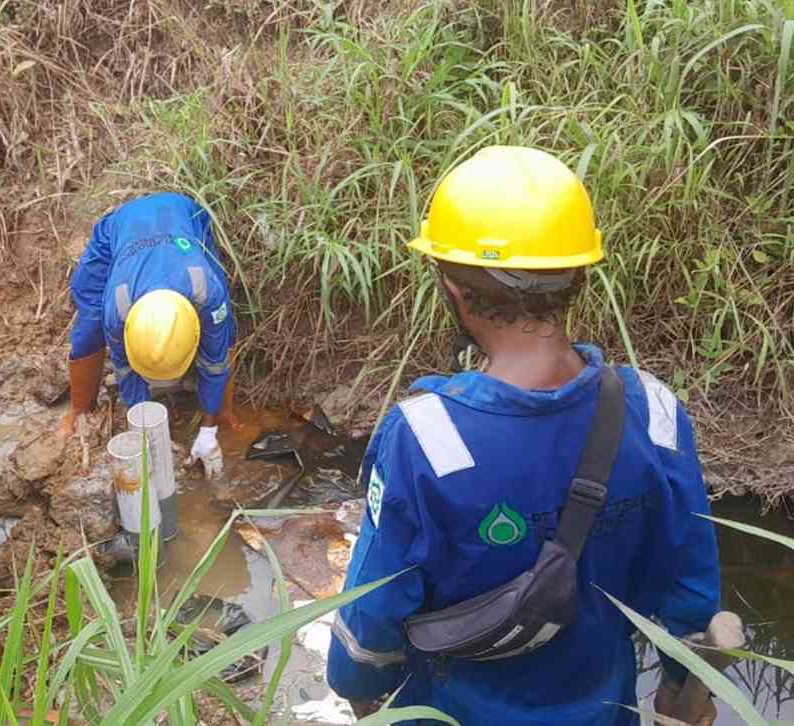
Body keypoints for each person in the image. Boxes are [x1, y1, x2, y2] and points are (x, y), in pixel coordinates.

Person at [327, 146, 721, 725]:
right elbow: (689, 592)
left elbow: (373, 616)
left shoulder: (424, 438)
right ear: (579, 276)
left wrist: (360, 691)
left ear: (455, 291)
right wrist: (679, 692)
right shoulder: (654, 413)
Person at [58, 192, 237, 480]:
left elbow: (216, 362)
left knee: (225, 330)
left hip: (181, 215)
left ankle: (224, 413)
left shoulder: (207, 292)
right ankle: (80, 411)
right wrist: (146, 430)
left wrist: (209, 429)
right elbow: (125, 371)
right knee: (89, 327)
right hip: (123, 227)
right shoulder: (117, 309)